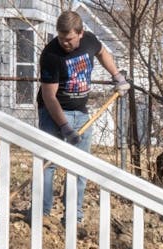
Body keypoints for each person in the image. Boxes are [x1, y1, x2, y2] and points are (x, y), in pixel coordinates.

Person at [35, 10, 129, 226]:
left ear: (80, 33)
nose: (64, 43)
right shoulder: (51, 55)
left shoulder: (89, 41)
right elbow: (49, 97)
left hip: (82, 112)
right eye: (60, 38)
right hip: (54, 114)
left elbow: (103, 53)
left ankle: (73, 216)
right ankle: (42, 214)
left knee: (80, 165)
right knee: (48, 163)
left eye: (68, 39)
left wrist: (117, 77)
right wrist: (65, 127)